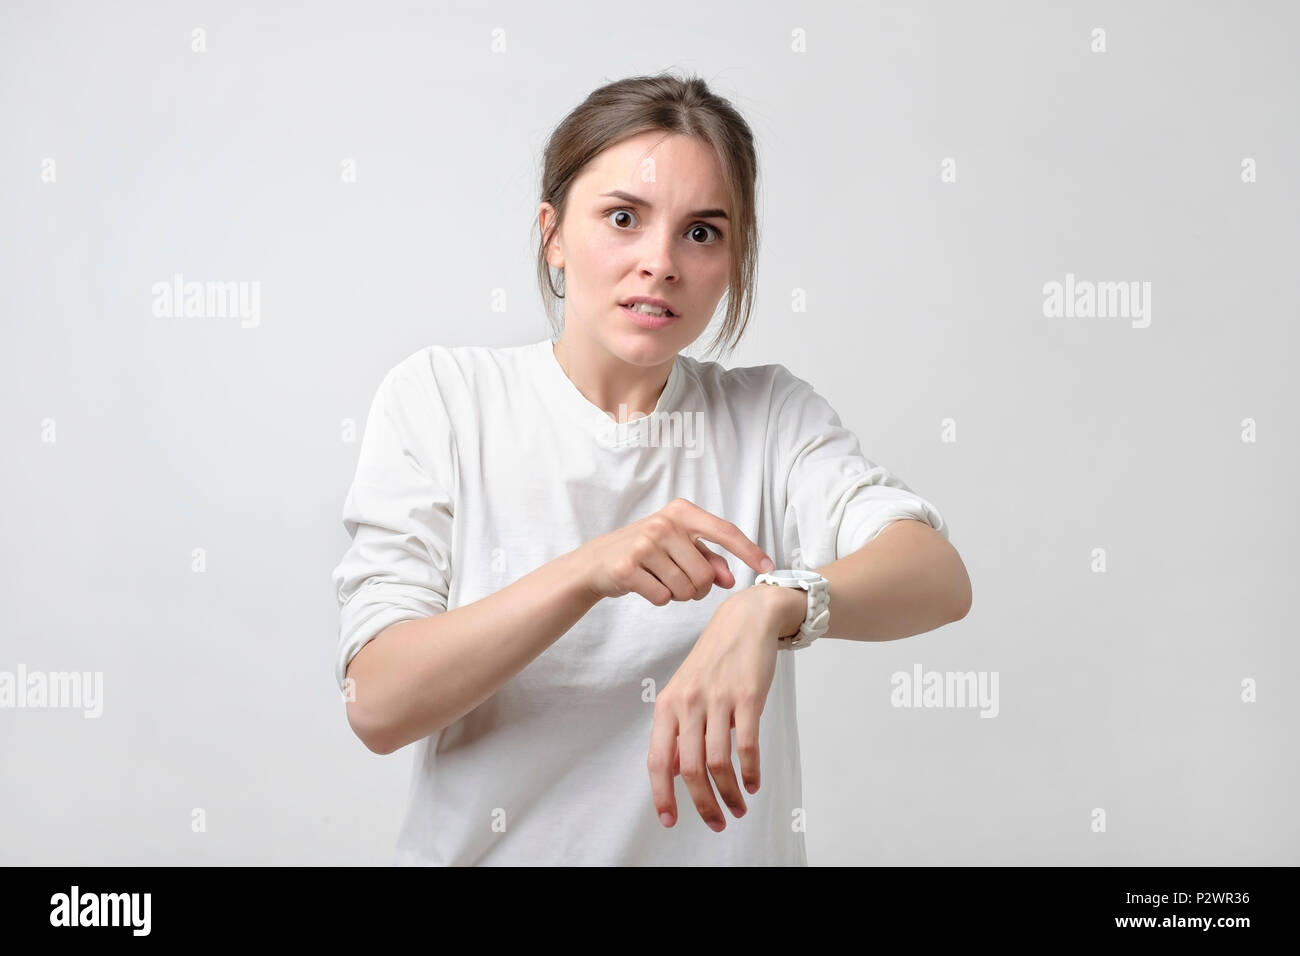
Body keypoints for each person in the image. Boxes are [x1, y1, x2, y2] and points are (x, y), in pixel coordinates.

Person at [330, 71, 972, 866]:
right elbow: (379, 703)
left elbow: (938, 576)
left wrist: (774, 601)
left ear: (735, 258)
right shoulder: (444, 399)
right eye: (624, 218)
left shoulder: (768, 415)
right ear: (553, 234)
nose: (660, 263)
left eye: (702, 232)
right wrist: (589, 570)